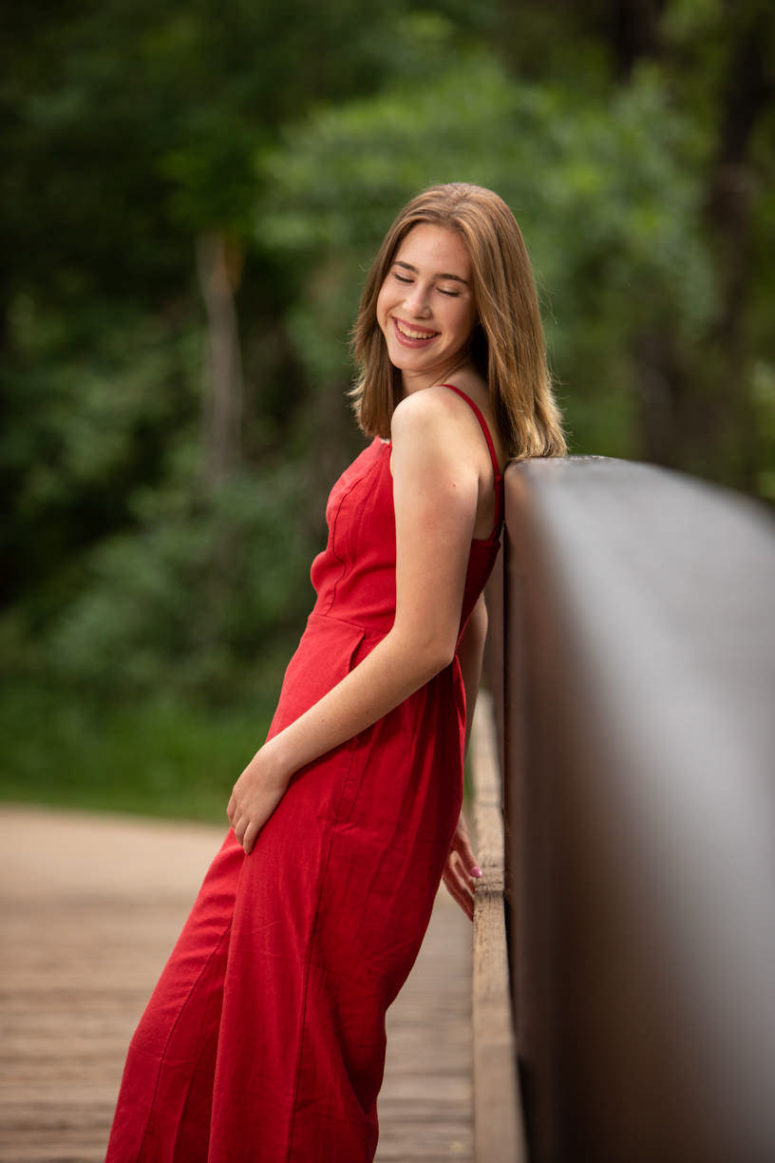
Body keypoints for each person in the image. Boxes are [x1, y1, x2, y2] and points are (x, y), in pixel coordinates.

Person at [105, 182, 566, 1163]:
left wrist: (277, 758)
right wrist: (440, 785)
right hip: (374, 765)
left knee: (278, 1059)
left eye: (450, 288)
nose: (415, 306)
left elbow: (425, 638)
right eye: (403, 276)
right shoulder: (470, 415)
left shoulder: (437, 421)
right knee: (198, 1046)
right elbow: (471, 612)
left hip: (338, 770)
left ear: (492, 308)